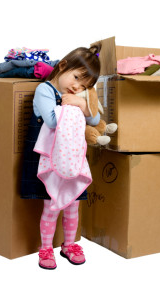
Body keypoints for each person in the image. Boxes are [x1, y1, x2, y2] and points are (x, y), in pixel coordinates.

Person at [21, 44, 101, 270]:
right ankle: (46, 247)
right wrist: (78, 107)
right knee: (52, 204)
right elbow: (54, 121)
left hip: (73, 158)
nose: (77, 87)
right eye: (76, 78)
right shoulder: (45, 91)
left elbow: (94, 120)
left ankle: (69, 245)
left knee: (73, 204)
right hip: (51, 159)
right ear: (63, 66)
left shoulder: (75, 97)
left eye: (84, 86)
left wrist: (81, 103)